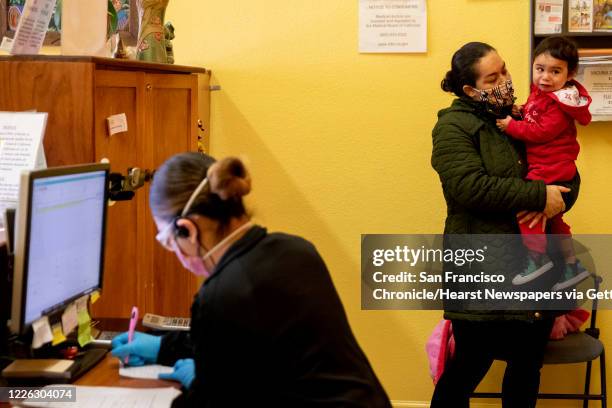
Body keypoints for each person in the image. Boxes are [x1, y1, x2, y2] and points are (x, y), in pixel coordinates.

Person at [111, 152, 391, 407]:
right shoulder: (296, 250)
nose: (175, 253)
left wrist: (199, 384)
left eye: (169, 242)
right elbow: (239, 339)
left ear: (187, 230)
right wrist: (162, 347)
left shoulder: (222, 294)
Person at [430, 42, 580, 408]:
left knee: (527, 368)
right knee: (469, 365)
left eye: (506, 71)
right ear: (470, 89)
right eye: (493, 77)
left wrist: (557, 198)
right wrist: (536, 196)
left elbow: (564, 176)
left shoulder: (519, 117)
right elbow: (468, 187)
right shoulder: (453, 126)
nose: (505, 81)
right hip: (483, 268)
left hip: (534, 267)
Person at [496, 36, 592, 291]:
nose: (545, 77)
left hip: (551, 167)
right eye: (540, 69)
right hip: (550, 165)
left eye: (555, 71)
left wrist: (511, 126)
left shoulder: (562, 103)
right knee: (556, 221)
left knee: (528, 210)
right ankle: (572, 265)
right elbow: (535, 111)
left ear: (570, 74)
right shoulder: (542, 93)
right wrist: (521, 111)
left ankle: (537, 259)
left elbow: (540, 132)